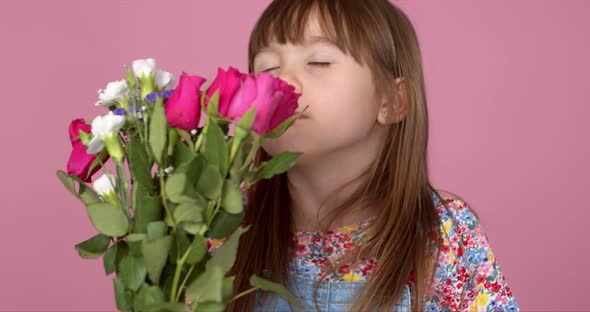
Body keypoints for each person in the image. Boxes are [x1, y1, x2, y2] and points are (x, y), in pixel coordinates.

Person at [210, 1, 519, 311]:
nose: (284, 82)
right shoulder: (222, 225)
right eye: (268, 68)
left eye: (318, 62)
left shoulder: (444, 233)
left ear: (392, 101)